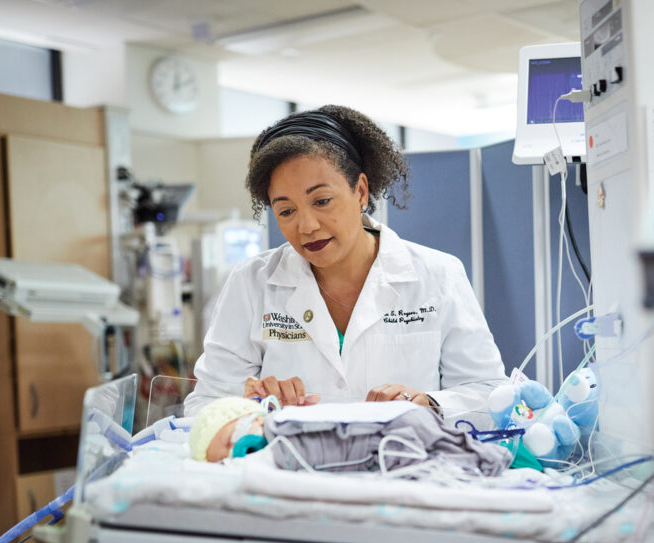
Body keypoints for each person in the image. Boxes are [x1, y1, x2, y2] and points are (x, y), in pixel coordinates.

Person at [183, 105, 506, 422]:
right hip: (291, 469)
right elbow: (205, 405)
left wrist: (428, 404)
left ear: (361, 191)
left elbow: (490, 393)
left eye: (322, 201)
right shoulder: (251, 283)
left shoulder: (438, 275)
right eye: (286, 211)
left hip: (406, 466)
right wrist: (254, 405)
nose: (306, 226)